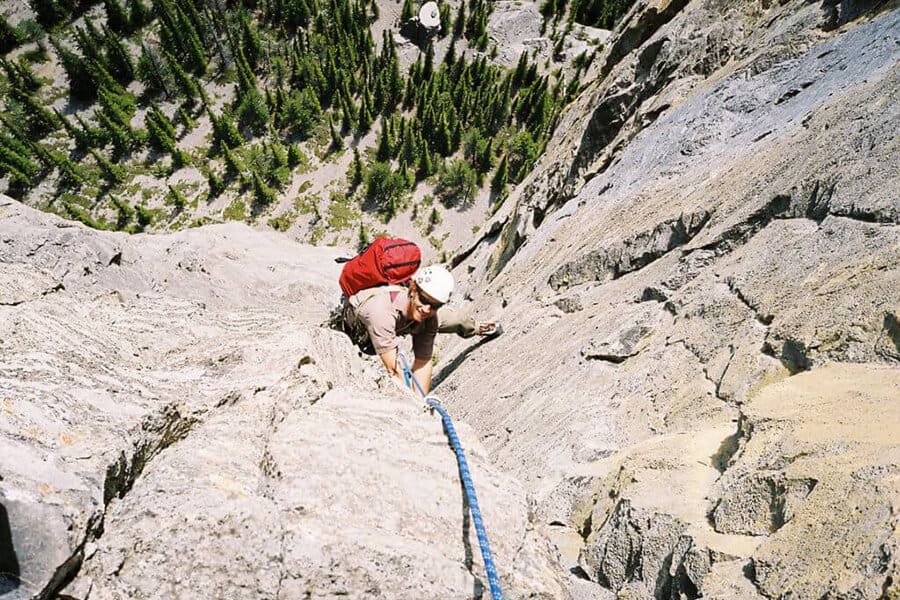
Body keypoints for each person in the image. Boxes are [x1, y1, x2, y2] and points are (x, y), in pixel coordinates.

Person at [341, 265, 501, 393]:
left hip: (406, 317)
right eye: (424, 299)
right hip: (362, 330)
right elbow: (394, 370)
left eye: (435, 305)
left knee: (452, 320)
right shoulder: (380, 313)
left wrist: (420, 403)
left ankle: (478, 328)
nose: (427, 308)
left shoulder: (427, 313)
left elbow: (422, 363)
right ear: (412, 290)